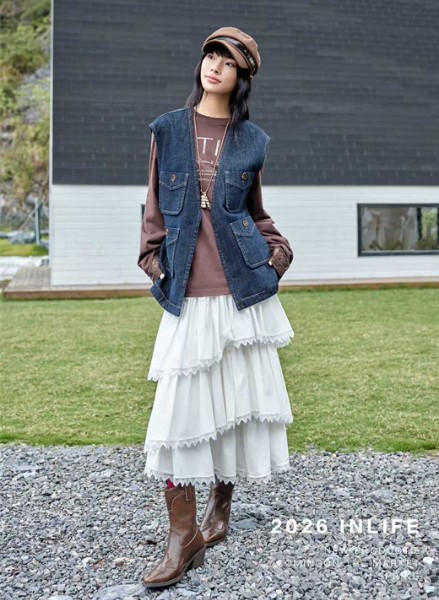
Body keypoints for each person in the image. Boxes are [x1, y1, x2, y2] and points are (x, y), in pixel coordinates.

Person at [138, 26, 295, 589]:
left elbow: (255, 213)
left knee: (233, 405)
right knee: (174, 419)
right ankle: (183, 538)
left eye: (228, 61)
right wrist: (153, 261)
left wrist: (277, 255)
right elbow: (153, 210)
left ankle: (219, 512)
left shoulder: (252, 141)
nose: (215, 66)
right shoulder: (167, 129)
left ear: (241, 76)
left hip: (240, 290)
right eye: (211, 55)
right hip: (188, 292)